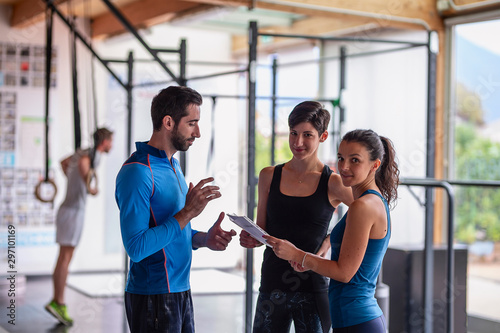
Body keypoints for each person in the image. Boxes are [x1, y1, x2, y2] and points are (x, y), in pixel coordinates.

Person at [115, 85, 236, 333]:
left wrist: (203, 239)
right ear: (168, 122)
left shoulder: (173, 166)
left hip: (180, 290)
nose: (198, 132)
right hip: (153, 295)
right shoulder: (138, 172)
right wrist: (187, 213)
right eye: (192, 123)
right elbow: (136, 248)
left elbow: (174, 231)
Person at [264, 129, 399, 333]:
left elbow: (344, 273)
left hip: (357, 322)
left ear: (375, 165)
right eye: (341, 158)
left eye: (355, 160)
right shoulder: (370, 201)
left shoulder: (362, 206)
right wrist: (309, 258)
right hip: (352, 320)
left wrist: (298, 255)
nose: (343, 167)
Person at [240, 101, 353, 333]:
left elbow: (369, 209)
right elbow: (262, 228)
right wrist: (251, 237)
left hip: (312, 286)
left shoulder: (332, 182)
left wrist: (332, 238)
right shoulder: (269, 175)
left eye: (307, 135)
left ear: (323, 136)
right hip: (272, 284)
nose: (297, 142)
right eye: (293, 133)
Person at [45, 127, 114, 326]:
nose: (112, 145)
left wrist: (74, 180)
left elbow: (63, 162)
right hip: (73, 212)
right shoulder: (88, 157)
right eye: (111, 141)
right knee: (65, 258)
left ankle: (57, 300)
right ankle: (58, 302)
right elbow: (85, 170)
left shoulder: (82, 153)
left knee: (64, 257)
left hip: (69, 210)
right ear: (104, 142)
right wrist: (89, 187)